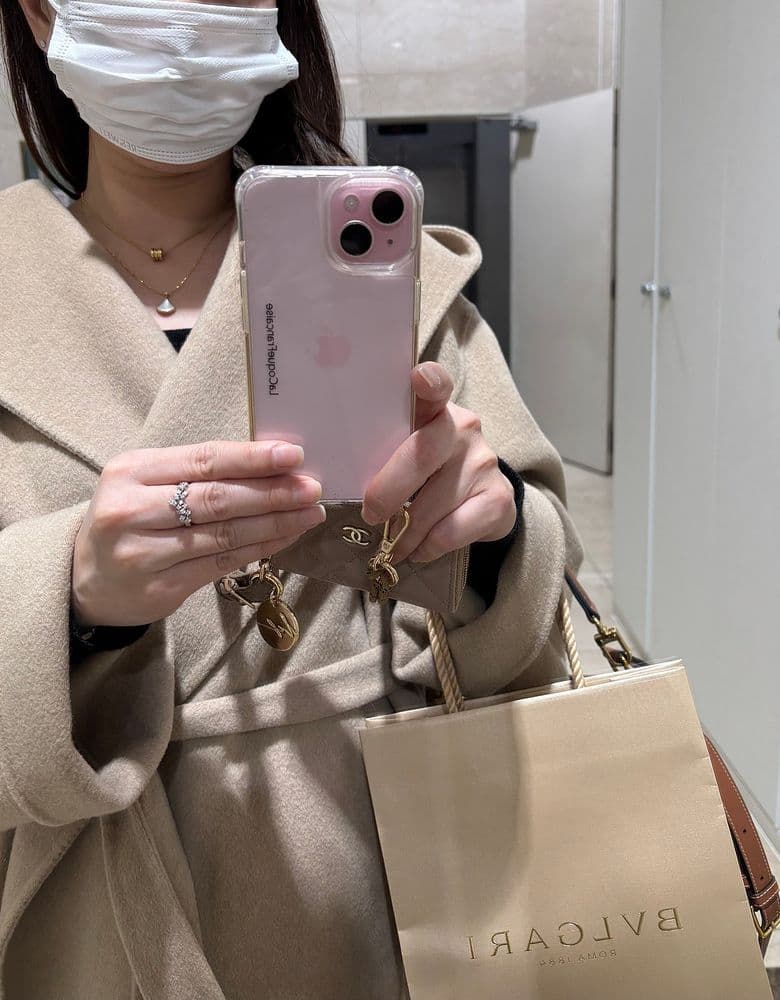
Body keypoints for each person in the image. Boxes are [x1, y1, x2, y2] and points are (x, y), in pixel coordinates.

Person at [0, 0, 584, 995]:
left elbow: (542, 626)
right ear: (42, 15)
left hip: (384, 886)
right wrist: (69, 596)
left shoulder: (405, 288)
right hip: (91, 910)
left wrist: (488, 543)